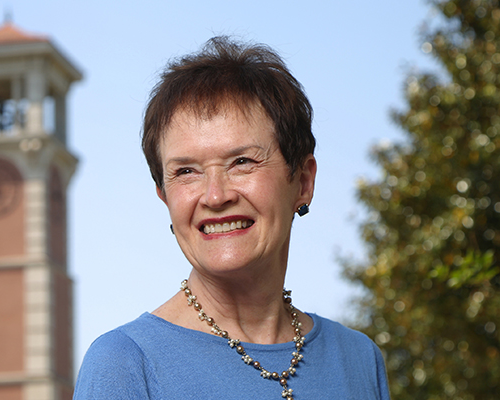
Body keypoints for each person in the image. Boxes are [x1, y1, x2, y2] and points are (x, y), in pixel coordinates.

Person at [73, 37, 390, 400]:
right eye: (187, 171)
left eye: (242, 162)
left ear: (302, 181)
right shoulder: (125, 365)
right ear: (164, 196)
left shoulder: (359, 360)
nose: (215, 195)